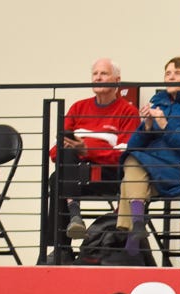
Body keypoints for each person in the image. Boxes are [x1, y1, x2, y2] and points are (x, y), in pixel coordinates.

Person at [117, 56, 180, 255]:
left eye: (177, 73)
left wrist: (166, 126)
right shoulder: (157, 102)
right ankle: (135, 232)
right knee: (133, 160)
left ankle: (132, 240)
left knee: (132, 167)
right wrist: (145, 125)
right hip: (153, 168)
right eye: (168, 73)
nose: (171, 77)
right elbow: (133, 145)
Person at [50, 58, 140, 260]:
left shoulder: (128, 111)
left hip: (109, 176)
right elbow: (55, 152)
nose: (98, 78)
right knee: (58, 174)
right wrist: (75, 149)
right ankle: (62, 248)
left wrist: (86, 150)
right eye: (95, 74)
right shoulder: (78, 108)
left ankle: (73, 215)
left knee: (61, 176)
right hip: (77, 175)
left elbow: (124, 155)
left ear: (117, 80)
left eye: (104, 73)